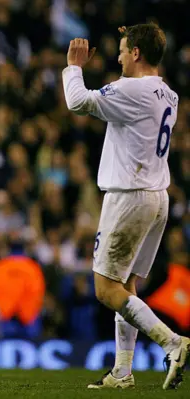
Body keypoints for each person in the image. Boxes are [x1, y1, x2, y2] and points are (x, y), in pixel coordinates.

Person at [62, 23, 189, 390]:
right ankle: (122, 371)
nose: (117, 56)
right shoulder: (169, 94)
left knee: (106, 289)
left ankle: (172, 342)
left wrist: (73, 66)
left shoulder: (132, 88)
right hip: (156, 195)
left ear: (136, 53)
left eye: (121, 49)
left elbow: (77, 102)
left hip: (130, 197)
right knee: (127, 285)